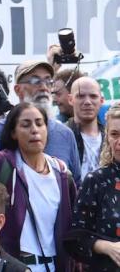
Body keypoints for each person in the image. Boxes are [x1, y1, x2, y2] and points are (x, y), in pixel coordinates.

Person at [0, 101, 76, 271]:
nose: (34, 129)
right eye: (26, 124)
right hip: (13, 267)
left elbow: (71, 228)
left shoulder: (61, 172)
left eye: (39, 123)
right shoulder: (0, 163)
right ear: (13, 132)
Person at [0, 60, 81, 184]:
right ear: (18, 90)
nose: (44, 87)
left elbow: (75, 185)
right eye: (35, 81)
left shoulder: (65, 134)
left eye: (48, 81)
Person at [64, 103, 120, 271]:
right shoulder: (97, 180)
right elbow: (75, 238)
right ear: (107, 137)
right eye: (114, 134)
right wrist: (105, 246)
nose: (119, 142)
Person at [67, 77, 105, 183]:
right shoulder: (61, 135)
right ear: (70, 99)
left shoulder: (112, 137)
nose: (87, 102)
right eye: (80, 96)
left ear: (101, 100)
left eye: (93, 96)